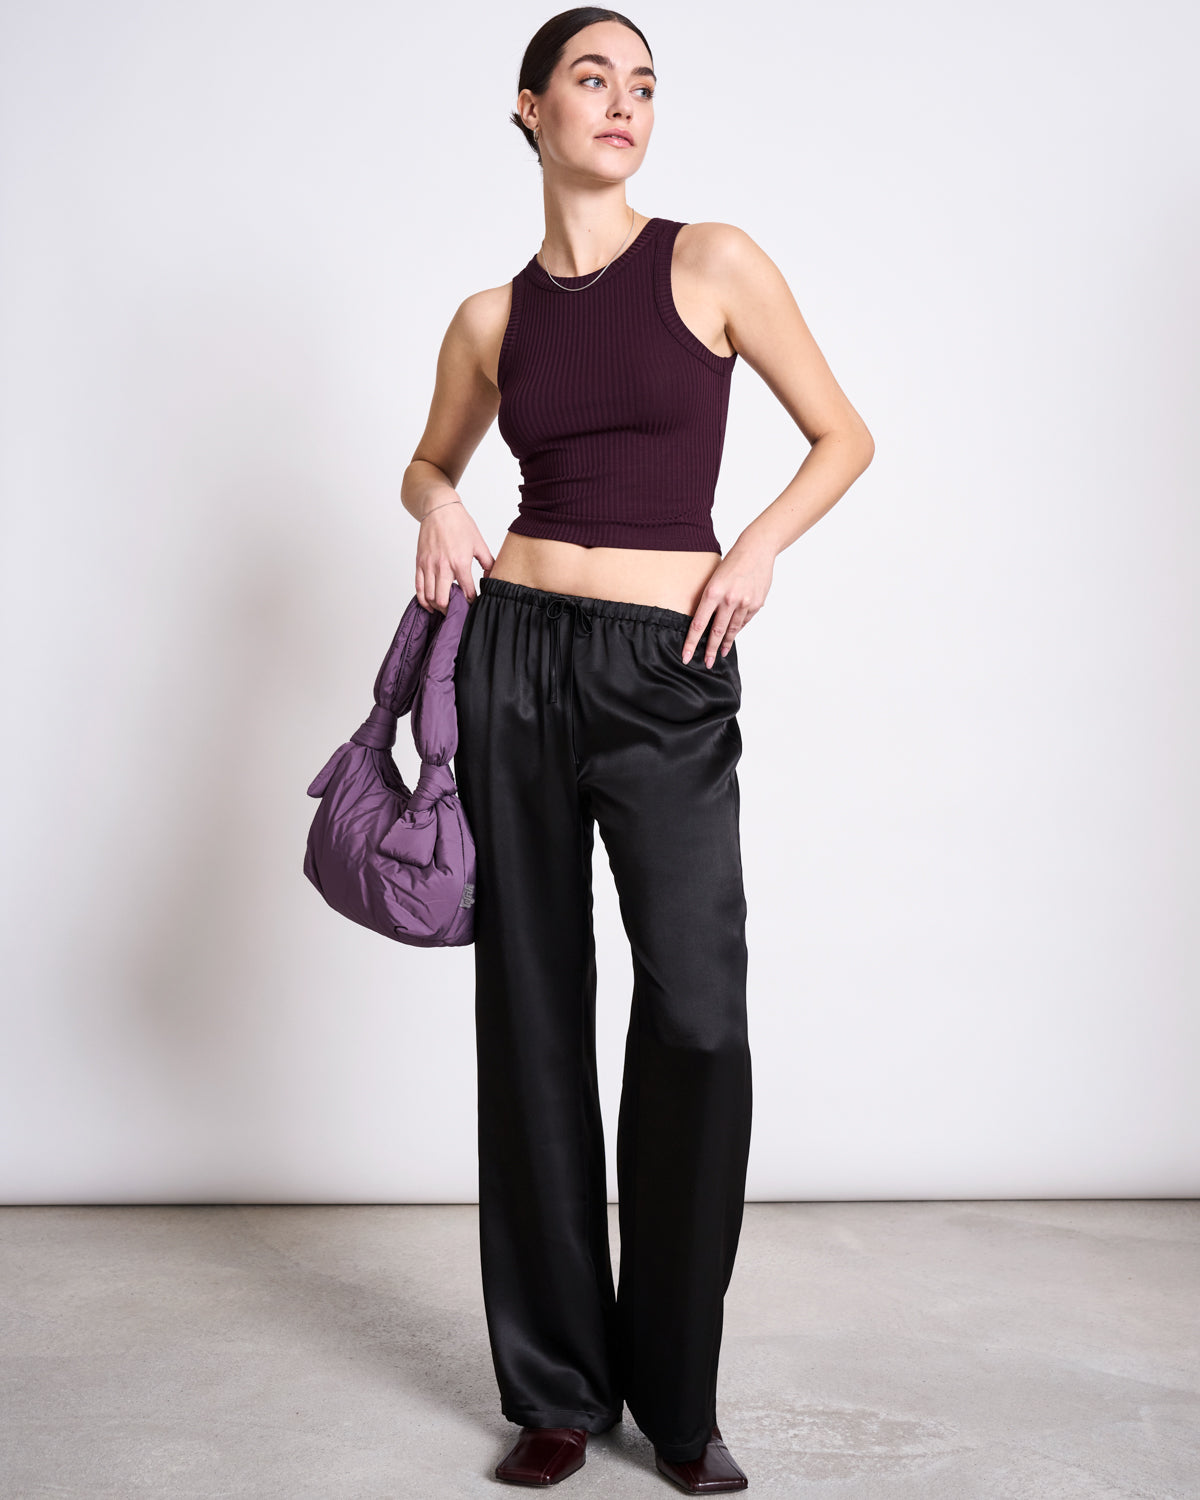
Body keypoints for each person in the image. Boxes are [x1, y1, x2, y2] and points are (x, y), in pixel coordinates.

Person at [400, 9, 874, 1491]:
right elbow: (428, 458)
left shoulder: (712, 261)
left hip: (668, 670)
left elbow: (844, 435)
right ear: (529, 110)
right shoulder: (490, 319)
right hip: (517, 659)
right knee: (532, 1011)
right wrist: (437, 504)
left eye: (644, 84)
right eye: (593, 79)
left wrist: (758, 549)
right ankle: (555, 1389)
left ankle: (678, 1395)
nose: (623, 103)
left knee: (696, 1013)